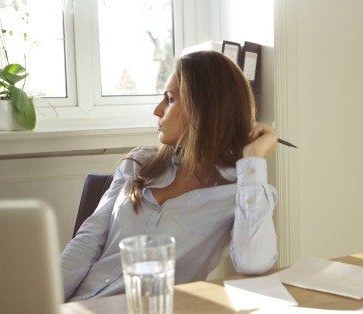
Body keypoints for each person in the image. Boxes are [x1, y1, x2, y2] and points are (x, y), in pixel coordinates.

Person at [60, 50, 279, 302]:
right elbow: (88, 241)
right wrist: (40, 301)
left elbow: (254, 262)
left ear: (204, 109)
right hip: (80, 304)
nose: (157, 110)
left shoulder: (241, 191)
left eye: (169, 99)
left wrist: (252, 160)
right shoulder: (139, 163)